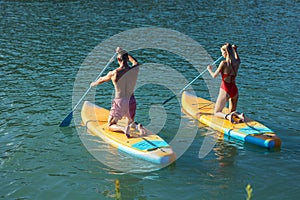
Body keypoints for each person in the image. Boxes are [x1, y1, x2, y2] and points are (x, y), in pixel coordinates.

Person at [90, 47, 146, 137]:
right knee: (130, 121)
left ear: (118, 59)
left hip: (120, 101)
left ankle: (124, 129)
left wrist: (93, 83)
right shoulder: (134, 69)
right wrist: (123, 52)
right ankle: (137, 126)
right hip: (131, 100)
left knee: (110, 125)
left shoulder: (114, 73)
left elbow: (101, 80)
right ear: (127, 59)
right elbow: (135, 62)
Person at [207, 43, 244, 123]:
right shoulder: (237, 62)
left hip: (225, 89)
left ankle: (227, 116)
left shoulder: (223, 63)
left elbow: (214, 76)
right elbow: (236, 57)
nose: (222, 54)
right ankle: (238, 115)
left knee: (216, 112)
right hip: (234, 90)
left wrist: (209, 69)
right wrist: (235, 50)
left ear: (225, 52)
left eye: (222, 52)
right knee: (232, 110)